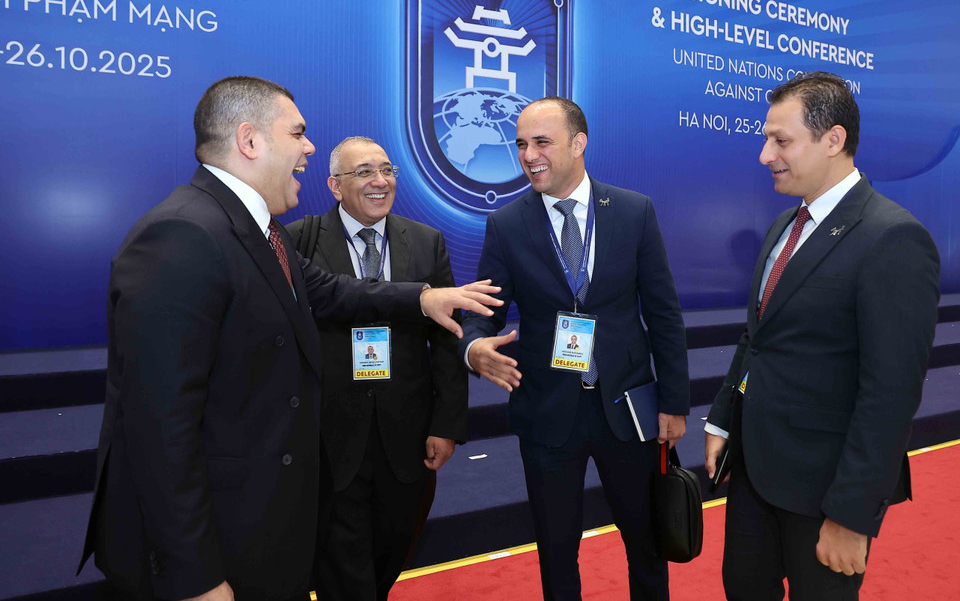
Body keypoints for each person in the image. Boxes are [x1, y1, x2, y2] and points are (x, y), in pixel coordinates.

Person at [77, 76, 500, 601]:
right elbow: (159, 427)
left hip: (260, 526)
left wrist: (423, 299)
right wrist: (194, 575)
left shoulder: (259, 230)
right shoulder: (182, 234)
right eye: (298, 133)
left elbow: (330, 290)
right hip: (217, 542)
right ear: (250, 140)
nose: (309, 148)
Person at [704, 71, 940, 600]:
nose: (765, 155)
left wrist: (852, 516)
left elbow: (891, 394)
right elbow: (756, 337)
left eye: (780, 141)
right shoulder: (784, 226)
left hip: (824, 492)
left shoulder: (893, 238)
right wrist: (722, 417)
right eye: (766, 139)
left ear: (833, 140)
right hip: (755, 476)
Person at [459, 97, 690, 600]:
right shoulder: (507, 224)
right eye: (522, 144)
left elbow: (664, 313)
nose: (528, 155)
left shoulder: (632, 211)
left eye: (542, 142)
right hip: (548, 412)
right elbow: (483, 310)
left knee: (647, 544)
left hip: (626, 410)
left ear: (578, 143)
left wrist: (674, 403)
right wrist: (473, 346)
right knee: (557, 551)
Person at [286, 136, 467, 600]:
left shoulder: (426, 242)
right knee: (342, 568)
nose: (380, 181)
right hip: (330, 436)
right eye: (364, 172)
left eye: (387, 170)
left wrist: (446, 425)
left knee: (393, 547)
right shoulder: (300, 240)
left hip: (406, 435)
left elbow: (447, 342)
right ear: (335, 185)